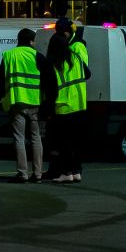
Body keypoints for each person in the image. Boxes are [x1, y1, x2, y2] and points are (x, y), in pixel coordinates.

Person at [0, 27, 46, 182]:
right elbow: (47, 78)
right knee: (36, 137)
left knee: (19, 138)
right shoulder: (38, 56)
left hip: (16, 101)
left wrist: (0, 97)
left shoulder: (9, 55)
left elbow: (0, 80)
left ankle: (23, 173)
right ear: (31, 41)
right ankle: (38, 174)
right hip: (35, 102)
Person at [44, 21, 89, 182]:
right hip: (80, 104)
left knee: (64, 142)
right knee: (76, 141)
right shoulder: (76, 57)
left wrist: (47, 111)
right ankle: (76, 172)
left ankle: (66, 173)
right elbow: (87, 74)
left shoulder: (55, 64)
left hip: (63, 107)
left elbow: (51, 90)